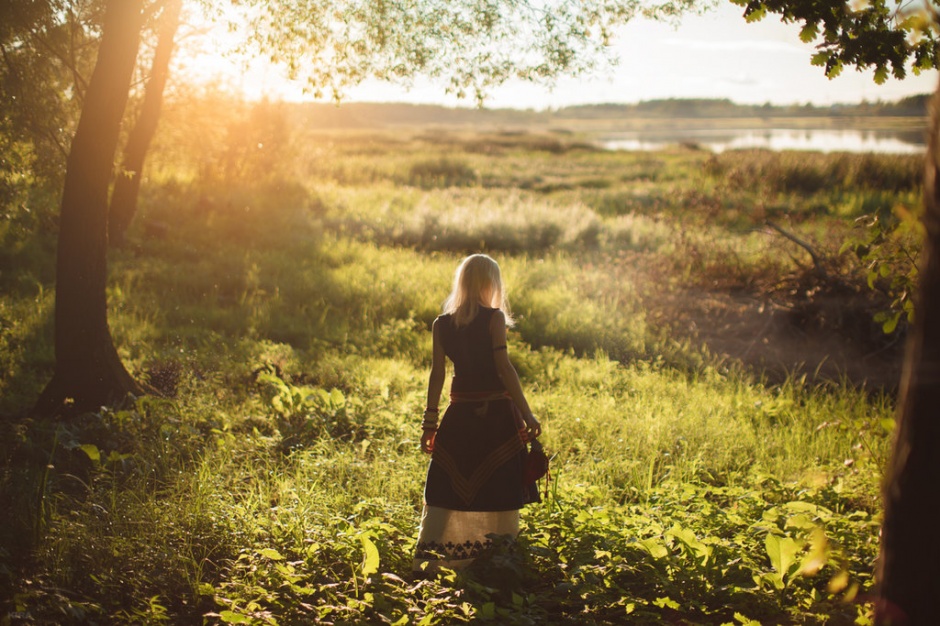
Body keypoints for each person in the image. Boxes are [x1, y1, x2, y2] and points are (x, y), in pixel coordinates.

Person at [413, 253, 541, 574]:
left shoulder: (442, 324)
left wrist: (430, 424)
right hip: (497, 418)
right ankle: (498, 562)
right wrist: (528, 416)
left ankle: (435, 563)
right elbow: (504, 369)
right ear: (490, 283)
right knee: (498, 485)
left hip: (458, 419)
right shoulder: (494, 318)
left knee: (448, 486)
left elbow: (437, 376)